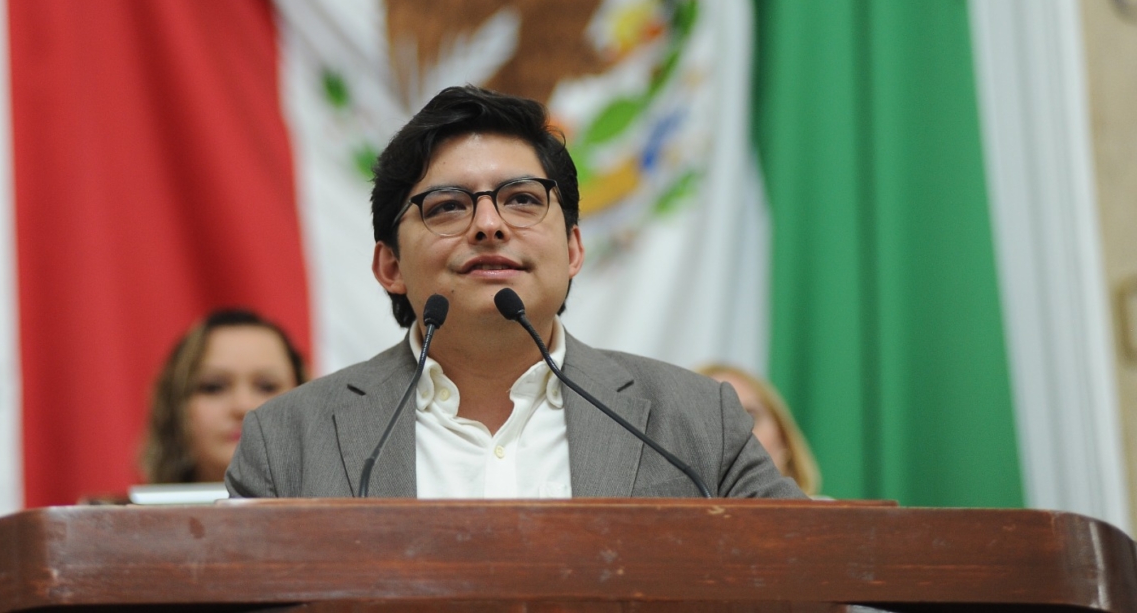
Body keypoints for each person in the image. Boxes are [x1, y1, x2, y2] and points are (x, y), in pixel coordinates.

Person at [227, 86, 803, 499]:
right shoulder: (286, 442)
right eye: (447, 206)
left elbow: (806, 580)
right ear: (390, 266)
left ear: (573, 250)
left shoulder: (699, 423)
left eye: (522, 199)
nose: (489, 225)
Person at [142, 308, 306, 484]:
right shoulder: (132, 502)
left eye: (267, 387)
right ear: (174, 406)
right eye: (214, 388)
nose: (243, 406)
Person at [696, 364, 822, 496]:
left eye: (751, 417)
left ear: (783, 439)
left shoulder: (827, 509)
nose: (738, 434)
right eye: (715, 423)